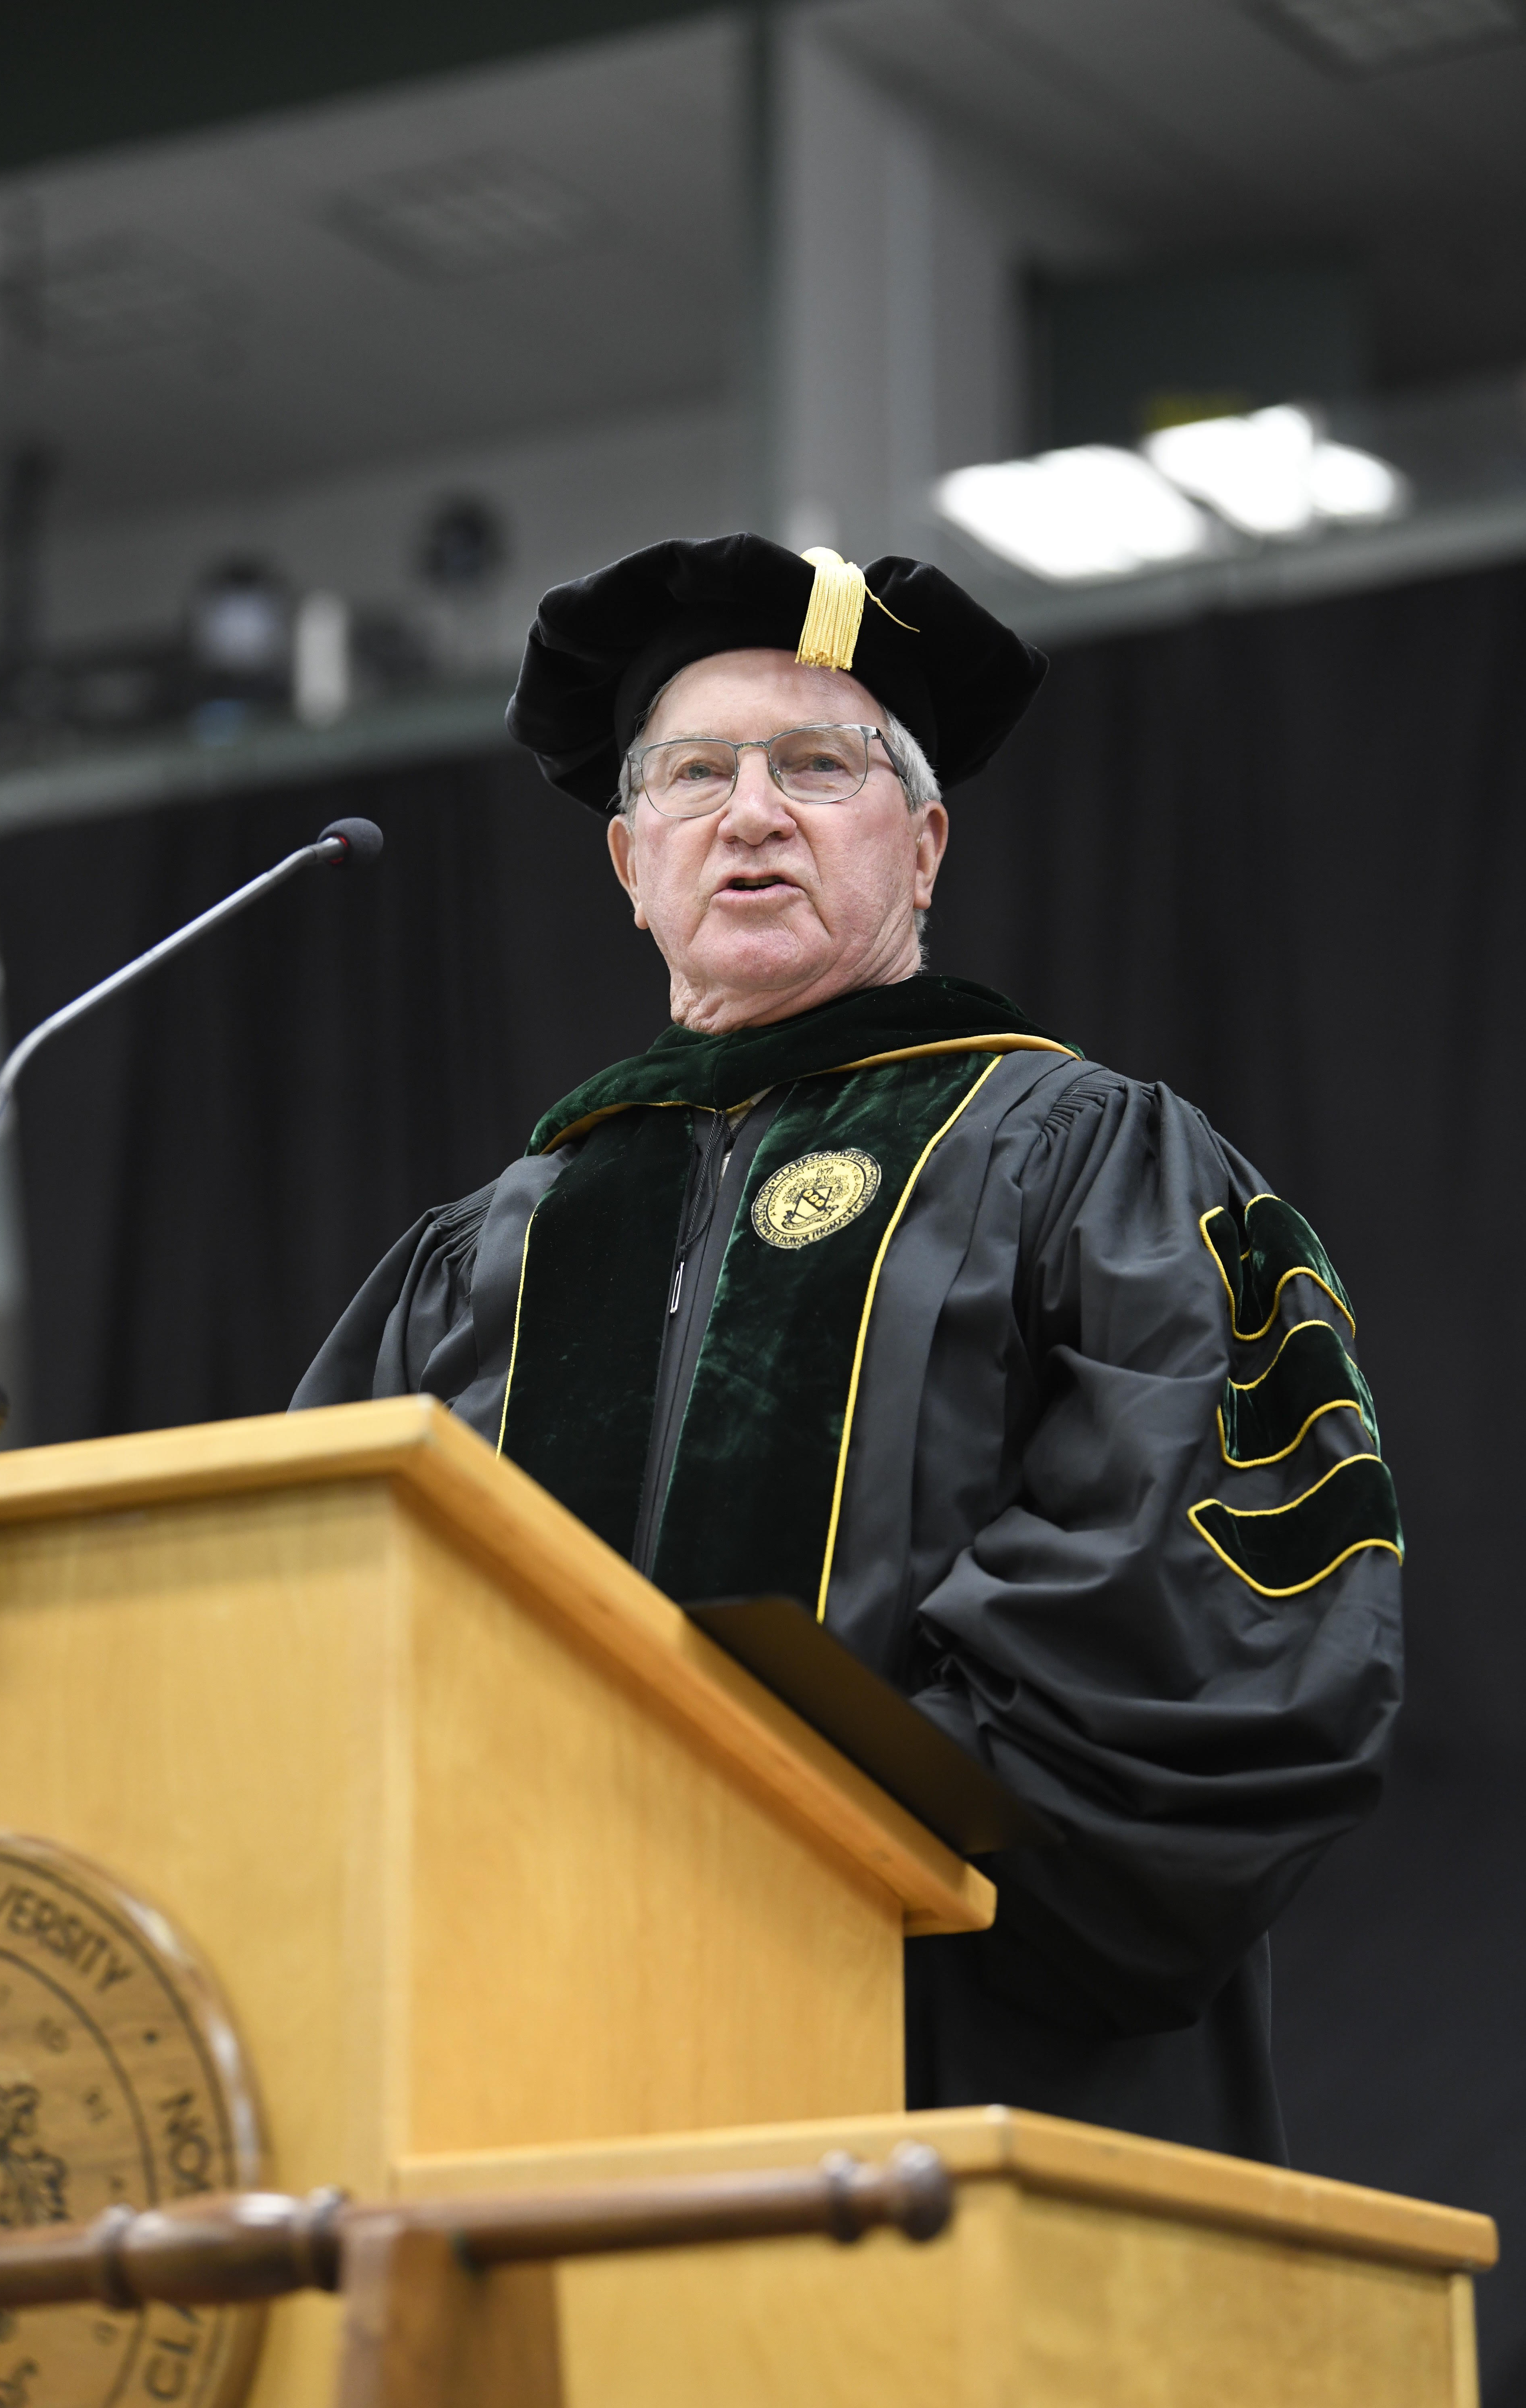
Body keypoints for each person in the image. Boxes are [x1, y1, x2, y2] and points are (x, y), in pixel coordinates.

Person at [294, 533, 1403, 2162]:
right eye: (691, 776)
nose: (751, 815)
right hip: (540, 2063)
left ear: (925, 840)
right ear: (627, 861)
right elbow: (329, 1630)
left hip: (962, 2044)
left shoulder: (1085, 1160)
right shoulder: (494, 1250)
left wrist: (774, 1823)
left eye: (819, 765)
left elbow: (1202, 1602)